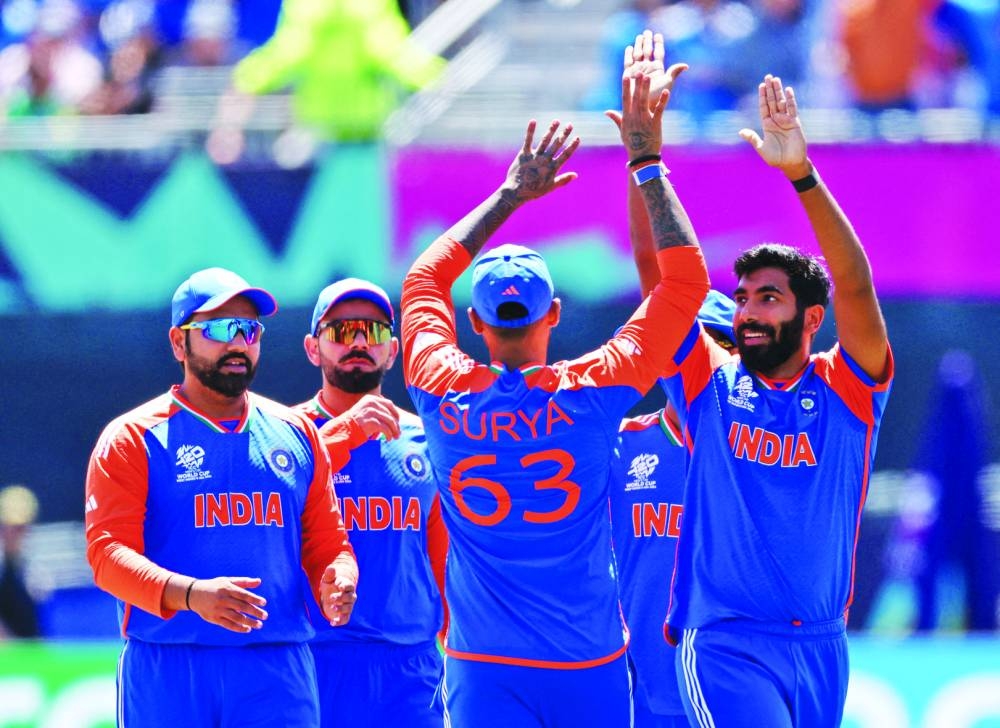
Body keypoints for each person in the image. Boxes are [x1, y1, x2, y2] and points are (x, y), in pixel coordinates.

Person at [399, 63, 711, 724]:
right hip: (586, 660)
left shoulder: (440, 389)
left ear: (475, 322)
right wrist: (646, 161)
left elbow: (425, 280)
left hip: (483, 661)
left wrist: (510, 195)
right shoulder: (594, 391)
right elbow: (685, 283)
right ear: (555, 313)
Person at [659, 75, 893, 727]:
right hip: (728, 643)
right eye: (743, 297)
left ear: (811, 318)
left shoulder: (847, 389)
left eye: (769, 297)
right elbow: (669, 285)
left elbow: (855, 282)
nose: (749, 311)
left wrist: (802, 175)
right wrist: (648, 164)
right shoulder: (712, 386)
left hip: (822, 645)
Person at [85, 267, 359, 727]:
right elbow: (108, 557)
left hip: (276, 667)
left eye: (249, 330)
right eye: (217, 328)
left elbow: (329, 546)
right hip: (170, 667)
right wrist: (192, 595)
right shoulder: (133, 437)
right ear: (178, 342)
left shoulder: (296, 434)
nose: (238, 343)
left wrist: (339, 577)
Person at [294, 278, 448, 728]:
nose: (359, 341)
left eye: (374, 331)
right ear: (312, 348)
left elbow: (440, 561)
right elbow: (274, 497)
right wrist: (346, 431)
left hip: (409, 669)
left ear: (393, 349)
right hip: (314, 660)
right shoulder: (286, 433)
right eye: (341, 332)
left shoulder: (425, 439)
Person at [0, 484, 41, 639]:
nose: (16, 535)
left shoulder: (28, 568)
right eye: (13, 528)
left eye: (22, 528)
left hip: (28, 658)